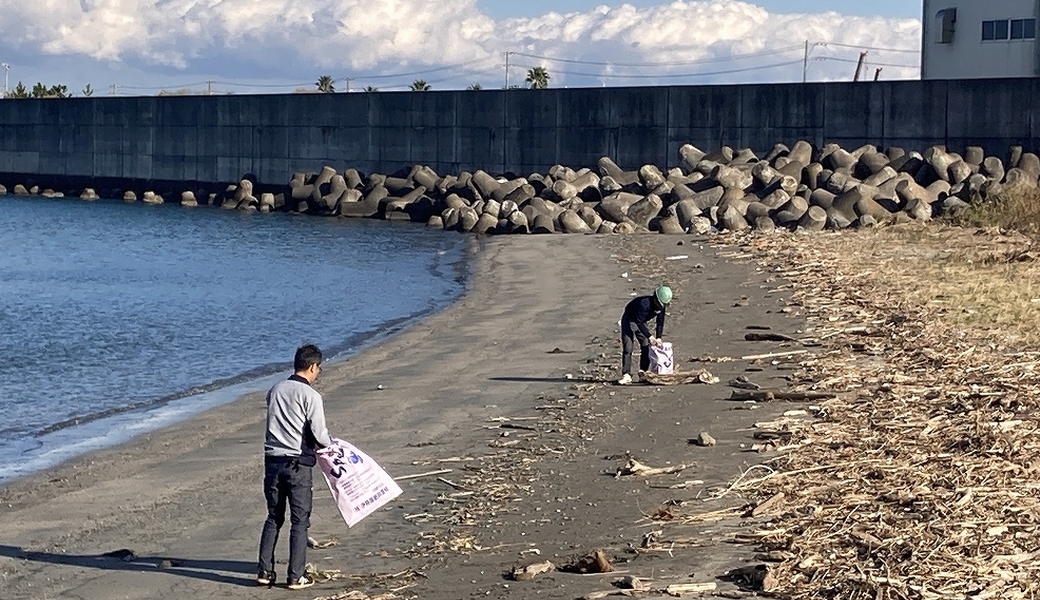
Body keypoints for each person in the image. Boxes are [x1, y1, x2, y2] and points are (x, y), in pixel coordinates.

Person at [257, 344, 332, 590]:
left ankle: (265, 571)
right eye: (318, 368)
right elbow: (320, 435)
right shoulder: (311, 395)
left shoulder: (275, 389)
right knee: (300, 520)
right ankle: (295, 575)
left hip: (272, 460)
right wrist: (331, 446)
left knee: (273, 517)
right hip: (297, 463)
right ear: (312, 366)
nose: (318, 372)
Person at [618, 285, 672, 384]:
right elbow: (639, 323)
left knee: (646, 345)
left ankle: (643, 372)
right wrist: (650, 336)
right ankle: (626, 374)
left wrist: (658, 337)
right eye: (660, 304)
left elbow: (660, 322)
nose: (662, 307)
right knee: (628, 347)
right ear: (655, 299)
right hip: (630, 318)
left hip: (641, 322)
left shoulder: (661, 307)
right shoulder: (644, 304)